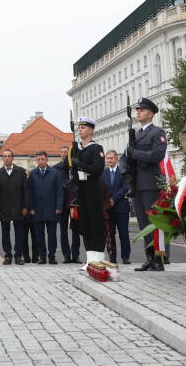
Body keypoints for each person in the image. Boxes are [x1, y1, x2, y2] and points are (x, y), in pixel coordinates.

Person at [124, 97, 168, 271]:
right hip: (137, 183)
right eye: (137, 110)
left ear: (150, 113)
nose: (138, 112)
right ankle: (149, 257)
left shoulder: (157, 133)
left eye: (141, 110)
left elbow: (156, 155)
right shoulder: (136, 134)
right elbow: (126, 156)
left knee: (154, 222)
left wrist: (135, 154)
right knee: (143, 223)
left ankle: (159, 259)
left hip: (151, 183)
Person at [70, 117, 107, 272]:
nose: (80, 130)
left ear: (91, 130)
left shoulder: (96, 148)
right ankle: (90, 260)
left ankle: (99, 259)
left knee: (96, 224)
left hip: (93, 188)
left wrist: (80, 164)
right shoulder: (77, 148)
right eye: (79, 127)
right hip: (82, 189)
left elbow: (98, 169)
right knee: (85, 225)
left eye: (83, 128)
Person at [26, 150, 64, 265]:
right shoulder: (33, 174)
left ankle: (51, 256)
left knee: (52, 235)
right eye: (38, 159)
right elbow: (30, 192)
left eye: (42, 159)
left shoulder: (55, 173)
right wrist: (31, 208)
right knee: (39, 236)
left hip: (52, 209)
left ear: (46, 160)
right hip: (37, 210)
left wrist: (59, 207)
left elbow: (59, 192)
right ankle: (42, 257)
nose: (40, 161)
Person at [0, 149, 28, 265]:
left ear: (12, 158)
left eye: (9, 156)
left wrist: (25, 206)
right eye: (5, 156)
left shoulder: (20, 171)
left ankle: (18, 256)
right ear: (3, 158)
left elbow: (25, 191)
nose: (7, 158)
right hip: (4, 209)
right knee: (5, 234)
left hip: (18, 207)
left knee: (19, 234)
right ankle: (7, 255)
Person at [101, 150, 130, 265]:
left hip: (121, 207)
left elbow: (125, 187)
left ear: (116, 159)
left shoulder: (123, 171)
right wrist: (107, 201)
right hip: (109, 209)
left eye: (111, 158)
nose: (109, 160)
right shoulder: (104, 173)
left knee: (124, 233)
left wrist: (114, 199)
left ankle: (126, 257)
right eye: (107, 158)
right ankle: (112, 257)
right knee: (110, 234)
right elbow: (102, 189)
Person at [53, 145, 81, 263]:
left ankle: (75, 255)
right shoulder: (55, 169)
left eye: (66, 152)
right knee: (63, 230)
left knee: (76, 230)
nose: (64, 154)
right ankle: (66, 255)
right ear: (60, 154)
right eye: (62, 152)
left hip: (75, 203)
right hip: (62, 204)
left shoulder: (76, 167)